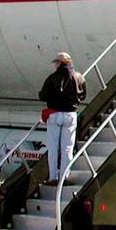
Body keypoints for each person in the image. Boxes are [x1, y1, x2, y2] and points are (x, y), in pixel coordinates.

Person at [38, 52, 86, 183]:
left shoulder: (52, 78)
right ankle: (64, 177)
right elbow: (83, 95)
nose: (55, 65)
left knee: (53, 148)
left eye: (56, 63)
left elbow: (43, 96)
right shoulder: (79, 77)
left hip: (54, 114)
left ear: (60, 63)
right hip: (70, 115)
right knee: (67, 149)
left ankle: (53, 177)